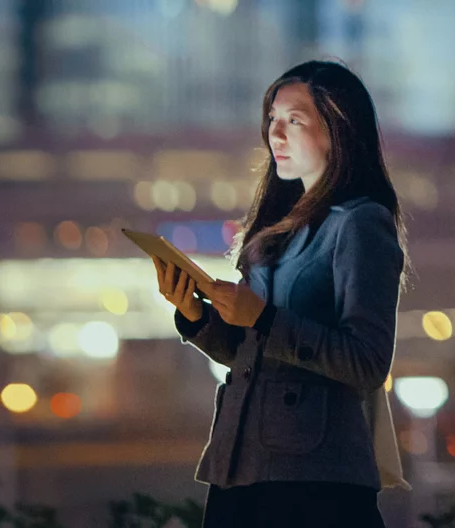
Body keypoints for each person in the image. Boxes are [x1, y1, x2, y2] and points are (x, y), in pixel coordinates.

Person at [152, 60, 410, 527]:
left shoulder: (360, 224)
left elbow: (368, 363)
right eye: (272, 119)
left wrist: (264, 318)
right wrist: (195, 315)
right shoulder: (275, 230)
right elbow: (252, 355)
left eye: (294, 120)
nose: (276, 134)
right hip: (241, 466)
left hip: (316, 479)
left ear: (338, 129)